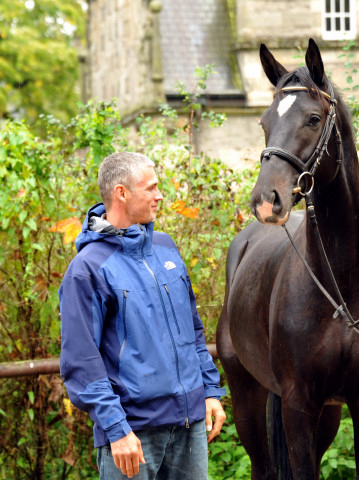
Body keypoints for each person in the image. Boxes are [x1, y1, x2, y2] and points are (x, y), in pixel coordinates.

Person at [59, 152, 226, 479]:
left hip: (189, 426)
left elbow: (192, 329)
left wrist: (208, 390)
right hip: (133, 435)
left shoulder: (166, 247)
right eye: (150, 188)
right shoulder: (88, 269)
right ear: (121, 193)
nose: (159, 195)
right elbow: (81, 360)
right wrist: (116, 428)